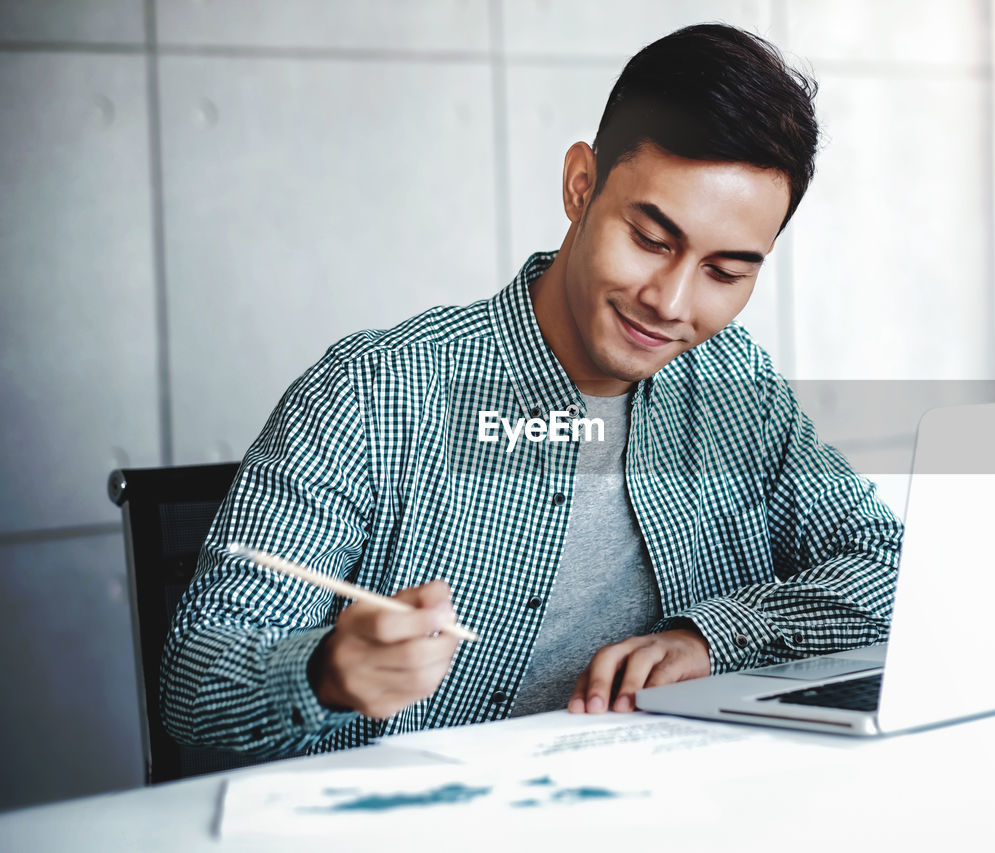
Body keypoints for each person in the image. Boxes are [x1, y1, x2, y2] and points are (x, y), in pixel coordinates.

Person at [161, 23, 903, 757]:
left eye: (726, 272)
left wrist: (708, 638)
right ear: (581, 185)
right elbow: (194, 683)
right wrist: (324, 671)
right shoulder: (373, 393)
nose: (672, 303)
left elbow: (889, 566)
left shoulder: (730, 382)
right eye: (651, 238)